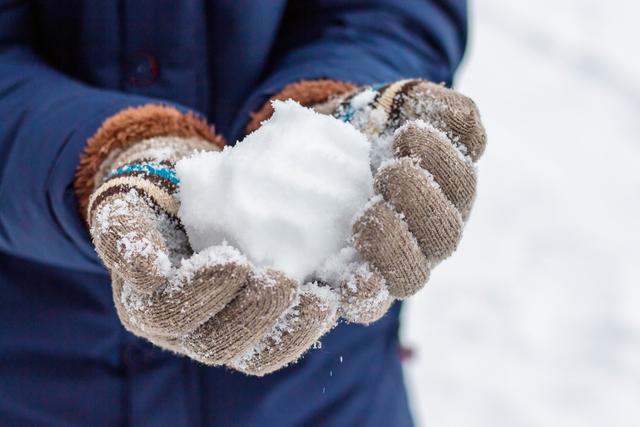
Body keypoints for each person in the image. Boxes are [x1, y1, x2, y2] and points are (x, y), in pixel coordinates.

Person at [0, 1, 485, 426]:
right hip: (39, 379)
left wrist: (338, 91)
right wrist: (109, 151)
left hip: (325, 396)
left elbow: (390, 12)